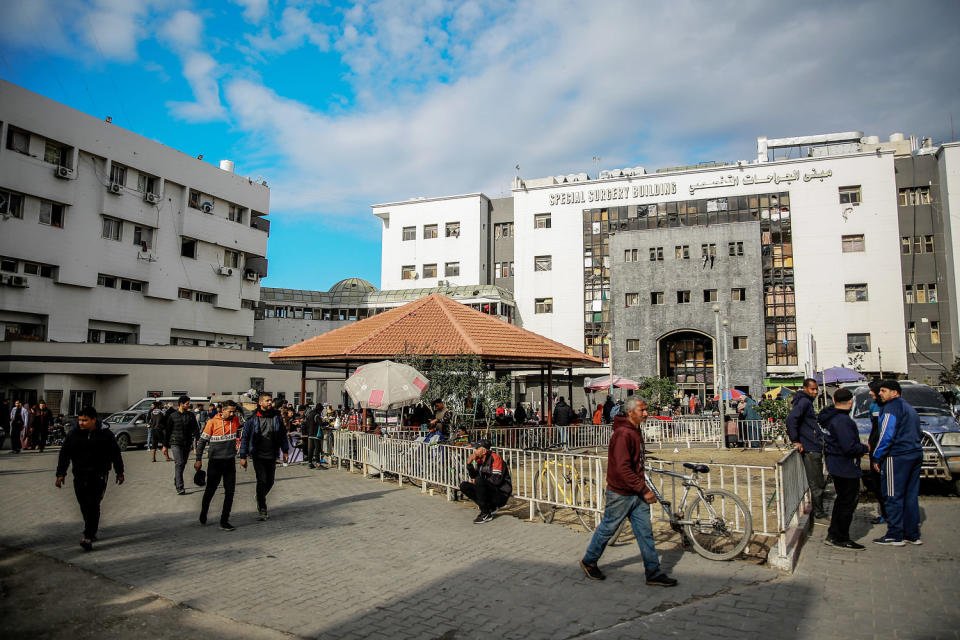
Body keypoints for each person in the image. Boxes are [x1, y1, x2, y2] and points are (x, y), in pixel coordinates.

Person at [580, 397, 676, 586]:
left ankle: (653, 572)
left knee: (645, 532)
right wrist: (644, 489)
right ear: (630, 412)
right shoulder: (624, 434)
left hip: (636, 492)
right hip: (621, 493)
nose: (646, 413)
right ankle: (589, 561)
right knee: (608, 528)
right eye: (642, 410)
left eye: (646, 410)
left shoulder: (634, 431)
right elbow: (623, 468)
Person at [55, 406, 124, 551]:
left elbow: (115, 454)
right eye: (80, 420)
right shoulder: (74, 435)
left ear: (94, 420)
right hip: (79, 475)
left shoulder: (106, 435)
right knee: (84, 504)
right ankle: (90, 529)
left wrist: (120, 472)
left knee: (93, 504)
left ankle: (88, 535)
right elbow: (65, 454)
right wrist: (61, 474)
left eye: (85, 420)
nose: (81, 423)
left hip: (99, 475)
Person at [872, 379, 923, 546]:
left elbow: (886, 435)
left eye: (884, 390)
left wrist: (877, 456)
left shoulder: (891, 408)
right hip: (914, 454)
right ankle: (912, 534)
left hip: (897, 456)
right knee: (910, 495)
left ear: (895, 392)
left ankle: (895, 534)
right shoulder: (909, 408)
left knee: (893, 495)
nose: (880, 393)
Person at [819, 388, 869, 549]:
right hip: (844, 466)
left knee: (842, 502)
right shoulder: (843, 421)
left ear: (834, 401)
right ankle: (839, 536)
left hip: (836, 463)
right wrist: (864, 448)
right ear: (851, 402)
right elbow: (848, 447)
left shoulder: (831, 419)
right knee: (846, 503)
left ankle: (835, 534)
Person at [238, 393, 289, 521]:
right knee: (262, 480)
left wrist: (285, 451)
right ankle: (262, 507)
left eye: (270, 401)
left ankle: (260, 496)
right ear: (260, 403)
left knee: (270, 481)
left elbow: (282, 434)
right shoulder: (253, 418)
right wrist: (242, 456)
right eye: (267, 400)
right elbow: (245, 438)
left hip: (272, 454)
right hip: (258, 454)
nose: (269, 403)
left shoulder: (276, 416)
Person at [194, 400, 241, 531]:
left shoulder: (235, 421)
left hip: (230, 461)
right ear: (222, 410)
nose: (232, 413)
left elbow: (248, 417)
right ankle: (204, 512)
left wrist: (240, 407)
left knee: (230, 492)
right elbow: (202, 442)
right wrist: (198, 460)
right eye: (229, 411)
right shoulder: (212, 422)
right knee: (210, 490)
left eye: (234, 411)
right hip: (215, 461)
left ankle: (224, 520)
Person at [786, 378, 827, 520]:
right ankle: (819, 511)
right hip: (809, 446)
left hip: (812, 444)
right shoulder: (804, 402)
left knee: (816, 480)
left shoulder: (805, 401)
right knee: (816, 481)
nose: (815, 392)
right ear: (805, 388)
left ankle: (818, 509)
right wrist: (796, 440)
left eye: (816, 389)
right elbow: (791, 419)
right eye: (812, 389)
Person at [459, 439, 512, 523]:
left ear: (483, 451)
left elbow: (496, 480)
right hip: (488, 491)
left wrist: (482, 484)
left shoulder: (495, 458)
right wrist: (469, 465)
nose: (474, 451)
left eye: (477, 448)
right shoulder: (480, 461)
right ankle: (488, 508)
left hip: (501, 493)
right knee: (464, 486)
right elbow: (474, 477)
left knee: (479, 481)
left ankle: (486, 513)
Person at [162, 396, 200, 495]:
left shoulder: (191, 415)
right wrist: (165, 446)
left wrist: (199, 439)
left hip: (187, 443)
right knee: (179, 463)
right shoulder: (172, 416)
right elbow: (168, 431)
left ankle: (177, 478)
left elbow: (195, 429)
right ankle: (180, 487)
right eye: (187, 403)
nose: (189, 405)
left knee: (183, 463)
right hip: (175, 443)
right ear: (181, 404)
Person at [862, 380, 887, 524]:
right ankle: (884, 513)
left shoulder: (890, 408)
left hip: (885, 450)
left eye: (872, 390)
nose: (870, 393)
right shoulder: (873, 406)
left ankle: (892, 515)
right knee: (877, 483)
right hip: (874, 447)